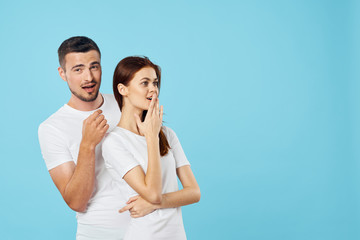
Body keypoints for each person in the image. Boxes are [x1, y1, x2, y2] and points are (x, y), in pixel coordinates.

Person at [38, 36, 131, 239]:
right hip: (98, 233)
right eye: (78, 69)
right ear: (62, 73)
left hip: (149, 228)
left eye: (94, 67)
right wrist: (87, 145)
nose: (88, 77)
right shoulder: (51, 128)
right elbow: (76, 202)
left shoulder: (124, 103)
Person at [102, 56, 201, 240]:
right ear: (122, 89)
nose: (153, 89)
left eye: (155, 83)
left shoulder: (168, 134)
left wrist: (156, 204)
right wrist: (151, 138)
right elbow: (153, 193)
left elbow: (194, 192)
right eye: (144, 83)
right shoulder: (115, 142)